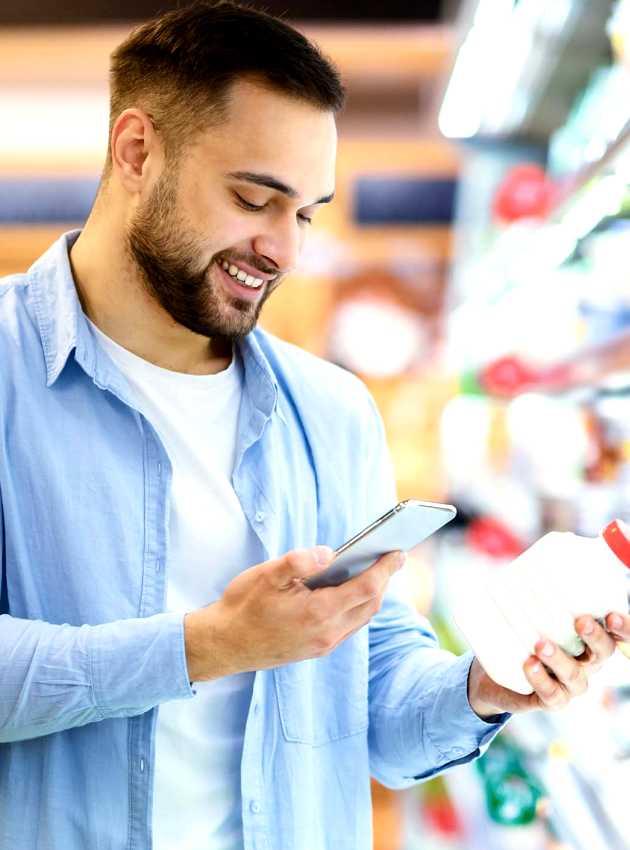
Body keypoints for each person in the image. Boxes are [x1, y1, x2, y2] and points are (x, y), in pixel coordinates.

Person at [0, 3, 617, 849]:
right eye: (256, 198)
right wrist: (207, 646)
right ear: (136, 150)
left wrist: (484, 688)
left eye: (307, 214)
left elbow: (375, 703)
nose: (284, 251)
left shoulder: (332, 413)